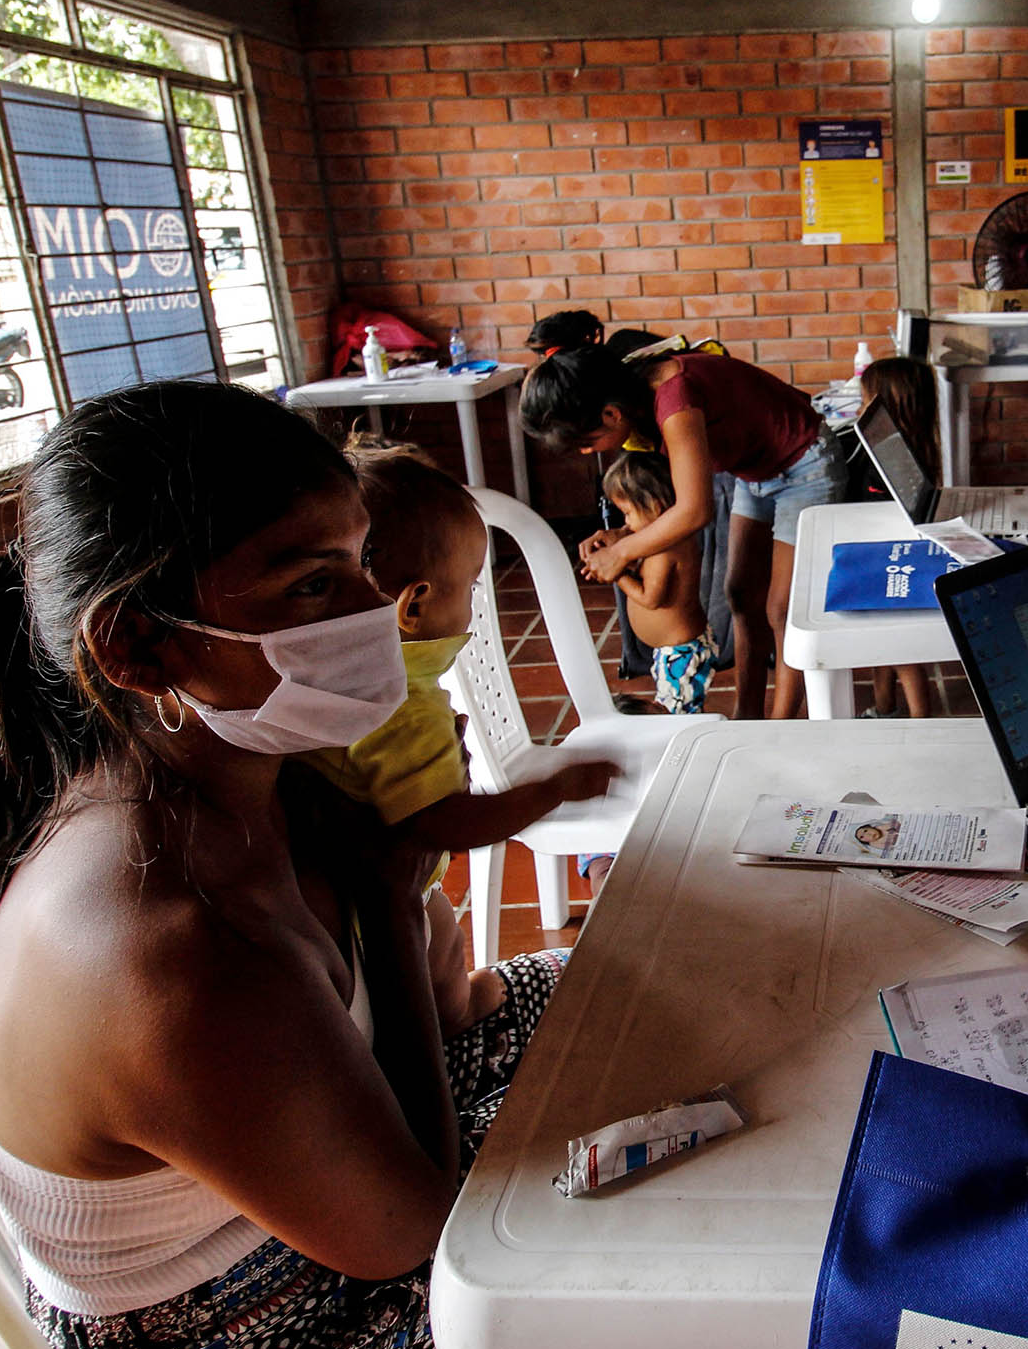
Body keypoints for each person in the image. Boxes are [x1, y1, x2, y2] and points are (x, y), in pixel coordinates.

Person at [0, 382, 565, 1349]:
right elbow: (416, 1229)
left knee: (610, 1007)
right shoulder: (169, 951)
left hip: (315, 1209)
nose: (374, 604)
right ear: (140, 646)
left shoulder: (247, 769)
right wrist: (389, 902)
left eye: (362, 558)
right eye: (311, 582)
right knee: (640, 1233)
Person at [302, 442, 615, 929]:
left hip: (340, 900)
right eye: (470, 586)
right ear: (414, 607)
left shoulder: (328, 671)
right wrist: (553, 791)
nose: (474, 601)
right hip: (379, 919)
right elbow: (440, 823)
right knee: (442, 937)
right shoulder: (401, 703)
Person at [523, 341, 844, 720]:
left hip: (803, 460)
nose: (584, 453)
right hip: (753, 471)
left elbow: (694, 510)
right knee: (740, 593)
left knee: (783, 607)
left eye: (585, 443)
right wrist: (623, 536)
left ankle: (782, 725)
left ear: (610, 414)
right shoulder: (636, 398)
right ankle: (747, 715)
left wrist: (621, 554)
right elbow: (667, 507)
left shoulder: (675, 401)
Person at [848, 355, 940, 718]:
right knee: (883, 650)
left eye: (865, 399)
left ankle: (922, 721)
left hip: (892, 558)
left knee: (901, 654)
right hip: (894, 550)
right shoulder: (913, 442)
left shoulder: (889, 456)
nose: (860, 407)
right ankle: (883, 708)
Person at [599, 452, 713, 714]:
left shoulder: (665, 550)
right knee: (679, 707)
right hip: (672, 650)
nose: (625, 522)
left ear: (655, 504)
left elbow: (651, 598)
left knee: (678, 715)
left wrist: (616, 574)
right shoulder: (658, 542)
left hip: (681, 652)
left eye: (627, 513)